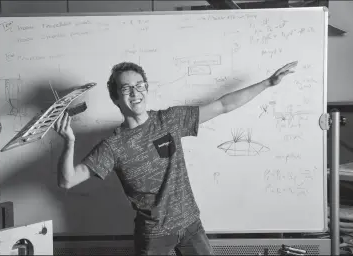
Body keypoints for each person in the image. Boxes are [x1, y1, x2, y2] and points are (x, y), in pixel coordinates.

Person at [54, 61, 297, 255]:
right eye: (126, 88)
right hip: (153, 235)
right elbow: (67, 181)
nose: (135, 92)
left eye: (139, 85)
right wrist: (69, 142)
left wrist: (267, 83)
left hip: (190, 224)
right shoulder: (113, 145)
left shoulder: (168, 120)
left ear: (146, 89)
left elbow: (223, 105)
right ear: (116, 97)